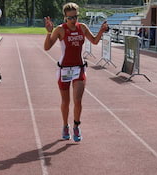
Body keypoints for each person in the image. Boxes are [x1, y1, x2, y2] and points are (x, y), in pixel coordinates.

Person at [44, 2, 108, 142]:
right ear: (65, 17)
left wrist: (101, 31)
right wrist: (49, 32)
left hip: (79, 68)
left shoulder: (82, 27)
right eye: (70, 18)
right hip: (64, 70)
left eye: (75, 17)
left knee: (78, 101)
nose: (73, 20)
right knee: (65, 102)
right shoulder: (60, 30)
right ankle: (65, 125)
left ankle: (76, 126)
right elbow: (47, 47)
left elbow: (95, 41)